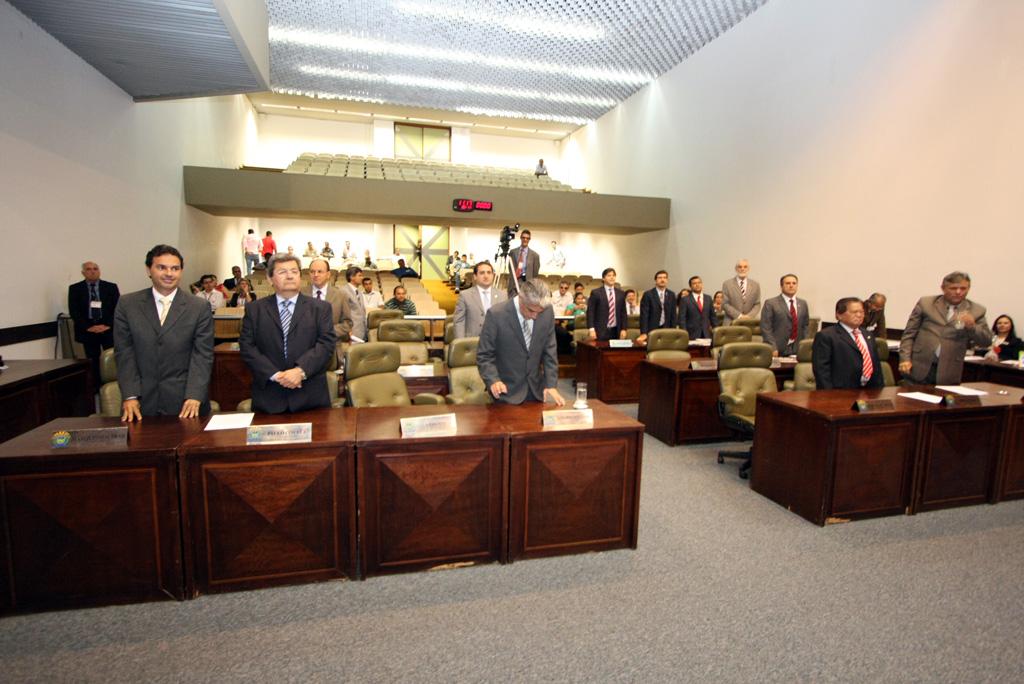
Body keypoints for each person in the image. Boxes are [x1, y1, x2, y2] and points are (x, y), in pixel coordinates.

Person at [113, 244, 214, 421]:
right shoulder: (127, 304)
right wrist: (130, 395)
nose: (169, 273)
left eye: (175, 268)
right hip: (141, 403)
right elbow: (124, 353)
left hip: (187, 402)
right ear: (148, 270)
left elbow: (202, 355)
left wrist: (194, 395)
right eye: (162, 267)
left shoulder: (198, 307)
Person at [239, 253, 337, 413]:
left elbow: (326, 344)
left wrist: (300, 371)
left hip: (310, 397)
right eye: (282, 272)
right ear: (270, 278)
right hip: (269, 396)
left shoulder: (320, 308)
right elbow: (247, 347)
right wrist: (276, 375)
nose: (290, 276)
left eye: (294, 271)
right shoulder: (255, 309)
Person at [477, 278, 564, 406]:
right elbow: (484, 355)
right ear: (521, 299)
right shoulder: (496, 314)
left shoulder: (547, 311)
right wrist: (493, 380)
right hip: (505, 392)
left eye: (539, 312)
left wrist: (551, 384)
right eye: (531, 310)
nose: (535, 316)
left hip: (536, 391)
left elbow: (549, 350)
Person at [899, 271, 992, 385]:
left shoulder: (977, 310)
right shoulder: (926, 303)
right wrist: (905, 359)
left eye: (963, 288)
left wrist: (972, 327)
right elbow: (909, 334)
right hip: (918, 366)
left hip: (949, 371)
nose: (958, 292)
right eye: (953, 288)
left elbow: (986, 341)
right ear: (943, 288)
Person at [812, 297, 885, 389]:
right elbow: (821, 370)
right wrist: (829, 394)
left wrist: (880, 390)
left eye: (862, 312)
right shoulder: (826, 336)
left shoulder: (868, 335)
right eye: (854, 312)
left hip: (869, 391)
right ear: (839, 315)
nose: (859, 315)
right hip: (840, 391)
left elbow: (876, 365)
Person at [68, 261, 120, 374]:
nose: (92, 271)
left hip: (108, 329)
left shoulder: (111, 287)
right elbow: (74, 312)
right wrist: (89, 327)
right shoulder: (75, 289)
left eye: (95, 269)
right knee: (92, 362)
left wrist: (107, 325)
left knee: (112, 360)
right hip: (88, 331)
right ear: (83, 273)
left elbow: (117, 309)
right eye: (89, 269)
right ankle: (96, 383)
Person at [303, 258, 353, 343]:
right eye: (312, 272)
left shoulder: (341, 295)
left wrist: (328, 331)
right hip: (306, 345)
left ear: (328, 274)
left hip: (332, 345)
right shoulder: (300, 294)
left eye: (320, 272)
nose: (316, 275)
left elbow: (347, 323)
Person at [760, 274, 810, 357]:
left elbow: (805, 327)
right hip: (777, 349)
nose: (791, 285)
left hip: (797, 349)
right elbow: (766, 328)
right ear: (781, 286)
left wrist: (805, 347)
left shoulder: (803, 303)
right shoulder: (771, 303)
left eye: (794, 283)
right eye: (788, 283)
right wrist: (773, 347)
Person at [453, 261, 505, 339]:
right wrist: (461, 343)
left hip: (496, 342)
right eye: (482, 273)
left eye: (489, 273)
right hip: (472, 342)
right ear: (475, 276)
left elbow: (506, 322)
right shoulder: (465, 295)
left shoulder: (503, 295)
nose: (486, 276)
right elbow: (459, 322)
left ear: (493, 275)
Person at [587, 267, 627, 341]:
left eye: (613, 275)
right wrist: (591, 329)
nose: (612, 277)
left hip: (616, 330)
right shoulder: (596, 293)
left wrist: (624, 329)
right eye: (609, 275)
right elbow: (590, 312)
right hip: (600, 330)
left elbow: (623, 313)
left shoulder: (621, 293)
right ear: (603, 278)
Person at [638, 270, 678, 344]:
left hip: (667, 329)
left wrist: (673, 330)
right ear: (655, 280)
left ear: (667, 280)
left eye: (664, 278)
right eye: (660, 278)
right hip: (651, 329)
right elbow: (644, 315)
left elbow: (673, 315)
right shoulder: (648, 294)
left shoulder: (671, 294)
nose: (662, 280)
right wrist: (644, 332)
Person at [721, 259, 761, 325]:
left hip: (750, 322)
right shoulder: (727, 284)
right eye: (740, 267)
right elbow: (725, 304)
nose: (742, 269)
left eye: (745, 267)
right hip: (731, 323)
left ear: (748, 269)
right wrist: (739, 316)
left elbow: (757, 304)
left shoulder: (755, 285)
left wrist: (749, 316)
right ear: (736, 269)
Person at [679, 275, 713, 340]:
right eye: (694, 283)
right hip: (691, 334)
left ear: (702, 284)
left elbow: (713, 316)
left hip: (706, 333)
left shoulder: (708, 298)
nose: (697, 285)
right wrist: (684, 333)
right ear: (690, 286)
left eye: (699, 283)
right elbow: (682, 319)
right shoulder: (685, 300)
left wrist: (716, 330)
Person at [342, 265, 368, 343]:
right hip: (351, 332)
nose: (362, 278)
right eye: (359, 275)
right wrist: (347, 330)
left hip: (362, 330)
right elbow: (341, 313)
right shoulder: (343, 291)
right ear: (352, 277)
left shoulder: (359, 292)